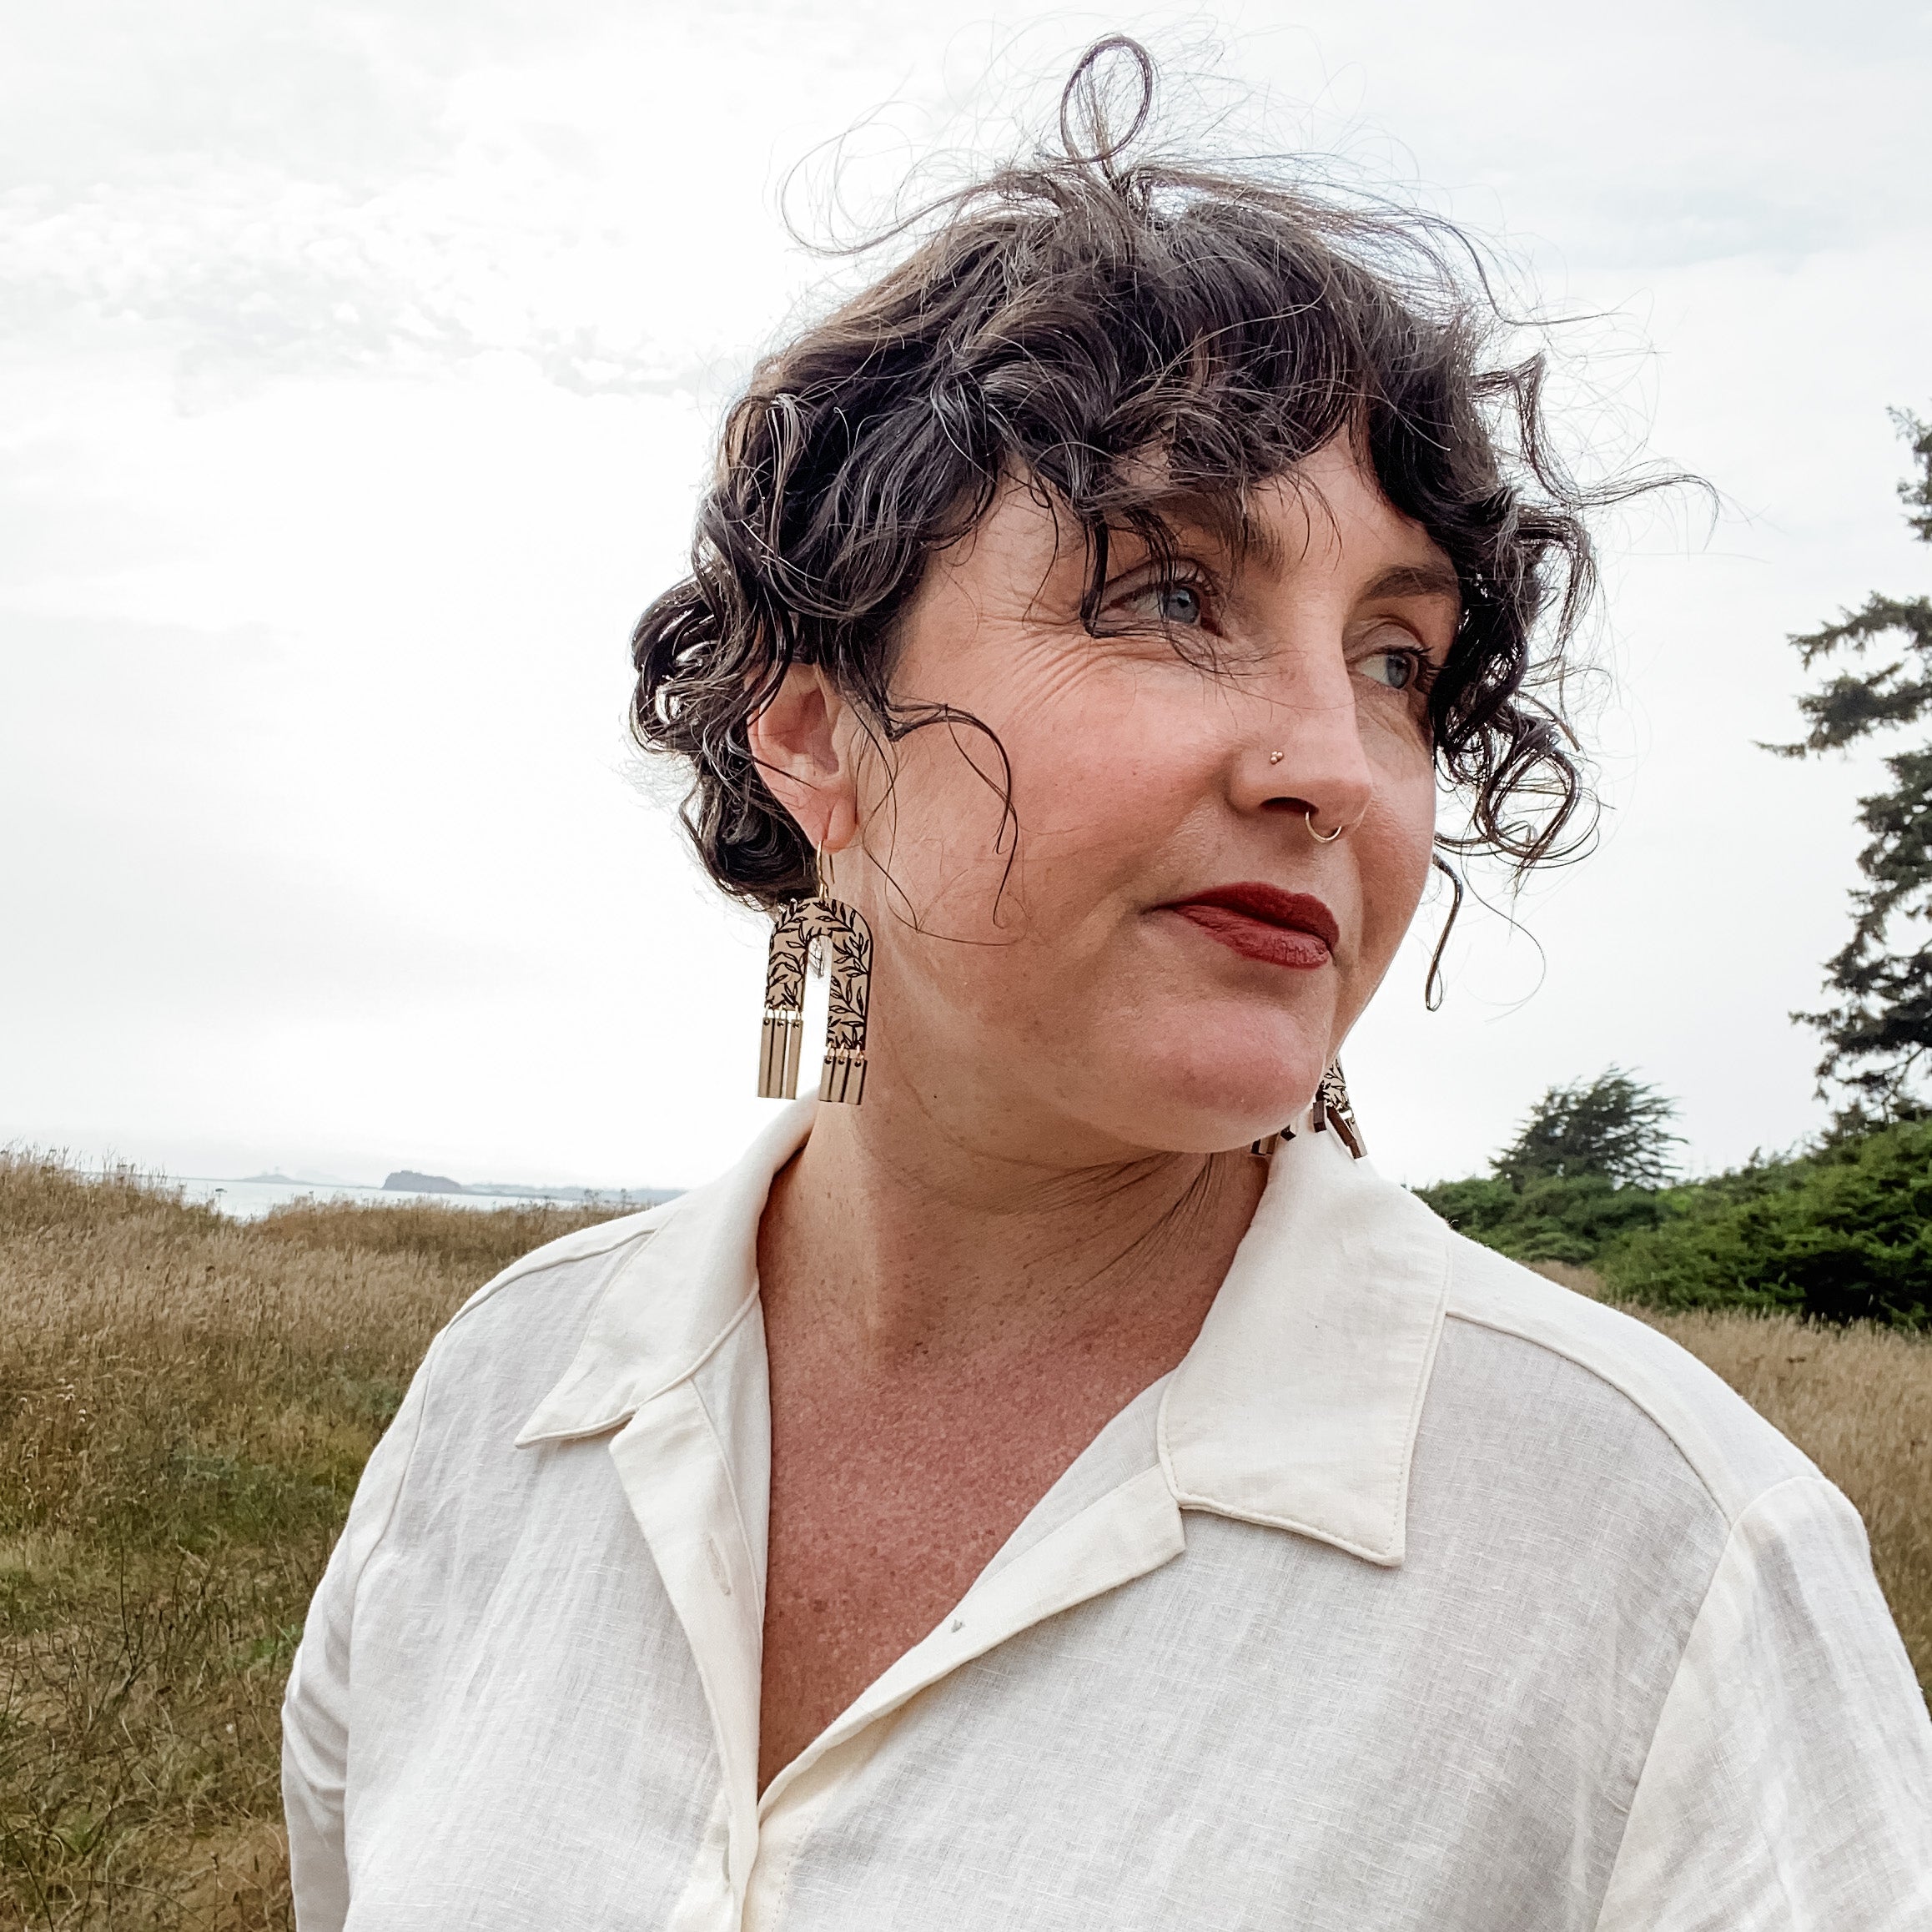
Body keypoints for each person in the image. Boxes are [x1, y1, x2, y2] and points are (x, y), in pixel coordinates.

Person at [281, 39, 1932, 1931]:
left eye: (1399, 661)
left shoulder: (1672, 1557)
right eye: (1171, 597)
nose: (1335, 762)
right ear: (816, 740)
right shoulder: (502, 1401)